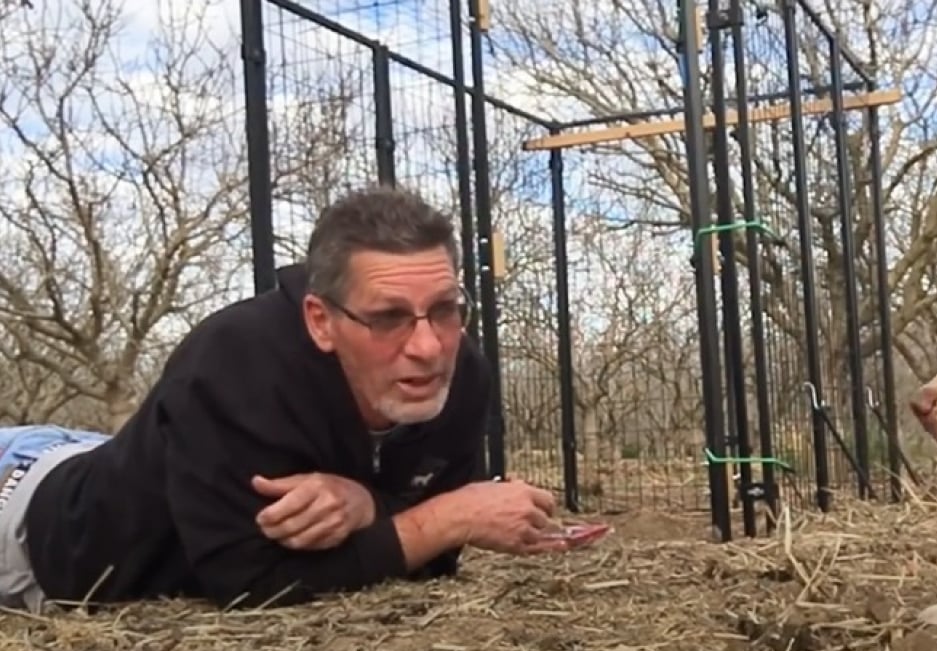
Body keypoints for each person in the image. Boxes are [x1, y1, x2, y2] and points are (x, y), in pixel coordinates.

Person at [0, 184, 568, 613]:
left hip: (105, 454)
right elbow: (248, 581)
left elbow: (431, 560)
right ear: (321, 320)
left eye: (445, 308)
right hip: (25, 518)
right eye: (388, 316)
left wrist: (370, 505)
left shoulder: (462, 371)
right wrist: (445, 518)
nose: (428, 346)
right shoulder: (236, 364)